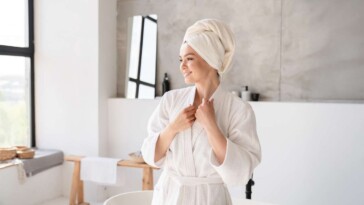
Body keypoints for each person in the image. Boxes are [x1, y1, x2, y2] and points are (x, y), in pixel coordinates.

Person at [141, 19, 261, 205]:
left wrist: (211, 125)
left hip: (211, 199)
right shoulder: (171, 101)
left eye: (189, 59)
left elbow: (240, 173)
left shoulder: (238, 110)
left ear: (212, 60)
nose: (182, 66)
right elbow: (150, 155)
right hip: (170, 196)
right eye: (181, 59)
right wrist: (172, 128)